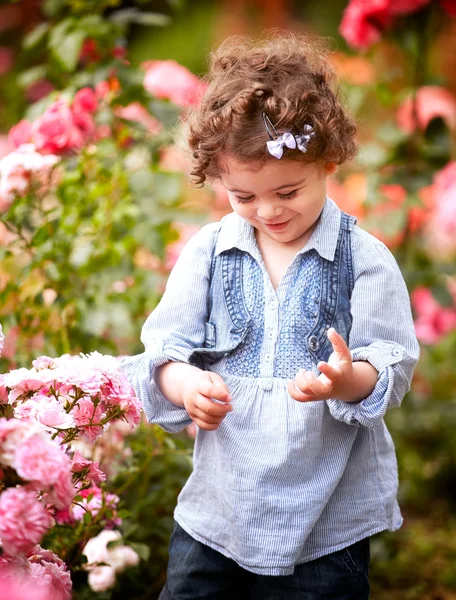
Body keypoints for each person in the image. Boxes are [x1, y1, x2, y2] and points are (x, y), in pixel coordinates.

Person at [121, 33, 420, 600]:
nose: (268, 211)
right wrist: (185, 384)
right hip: (220, 509)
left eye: (288, 191)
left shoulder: (365, 259)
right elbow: (162, 350)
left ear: (329, 161)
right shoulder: (210, 254)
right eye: (244, 197)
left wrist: (348, 378)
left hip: (327, 517)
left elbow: (391, 362)